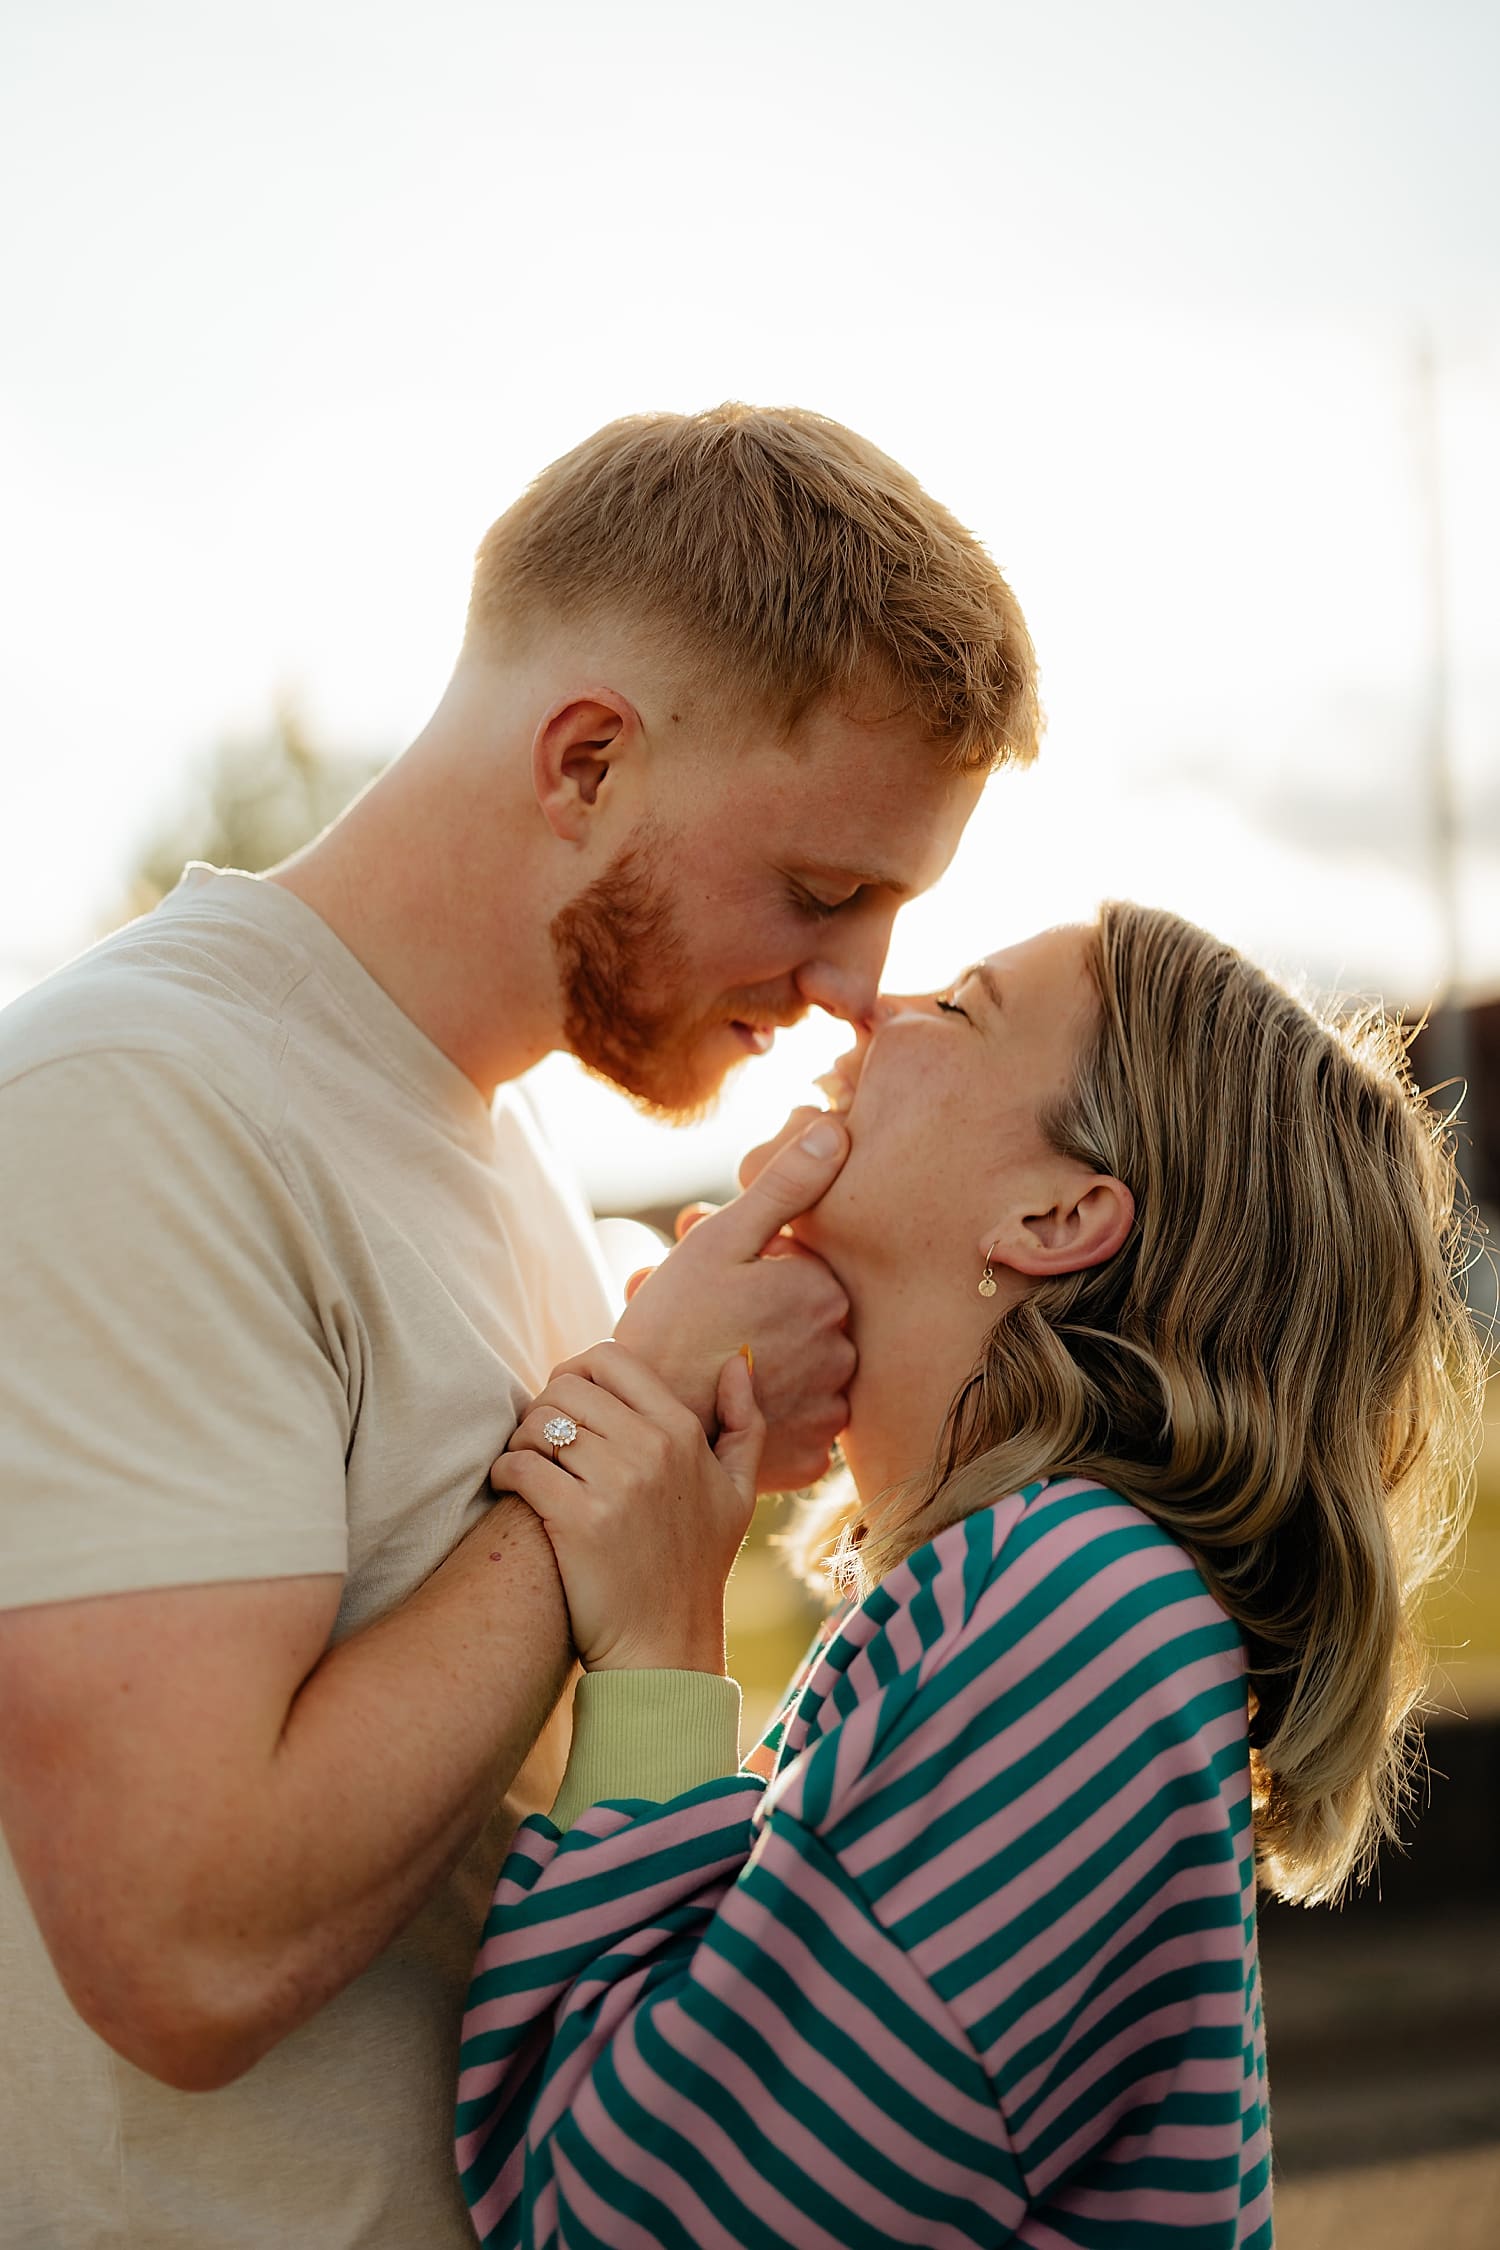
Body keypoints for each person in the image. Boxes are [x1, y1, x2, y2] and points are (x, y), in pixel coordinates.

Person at [0, 405, 1040, 2250]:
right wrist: (625, 1418)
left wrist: (688, 1454)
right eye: (823, 891)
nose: (856, 991)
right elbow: (180, 1947)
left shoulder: (518, 1156)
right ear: (584, 763)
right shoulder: (130, 1103)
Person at [456, 903, 1483, 2249]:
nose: (871, 1007)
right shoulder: (1029, 1594)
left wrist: (659, 1645)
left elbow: (621, 2223)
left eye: (958, 1007)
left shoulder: (1075, 1618)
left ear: (1056, 1213)